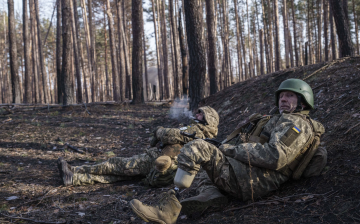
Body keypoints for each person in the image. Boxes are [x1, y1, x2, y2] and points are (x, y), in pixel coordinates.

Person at [129, 79, 327, 224]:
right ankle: (211, 196)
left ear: (302, 101)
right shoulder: (275, 119)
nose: (283, 99)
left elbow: (276, 156)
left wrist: (231, 150)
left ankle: (168, 211)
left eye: (290, 95)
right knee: (205, 162)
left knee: (198, 148)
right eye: (282, 96)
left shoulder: (297, 125)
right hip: (247, 172)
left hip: (255, 180)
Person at [57, 106, 219, 187]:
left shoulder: (197, 131)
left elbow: (170, 135)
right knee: (118, 175)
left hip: (157, 161)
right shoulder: (198, 132)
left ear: (208, 120)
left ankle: (76, 172)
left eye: (201, 114)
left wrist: (160, 131)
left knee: (115, 165)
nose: (197, 115)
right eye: (197, 113)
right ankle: (73, 177)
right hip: (160, 163)